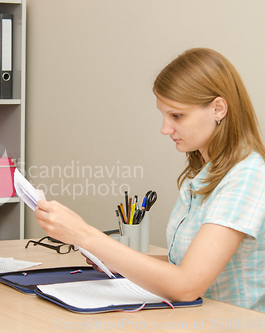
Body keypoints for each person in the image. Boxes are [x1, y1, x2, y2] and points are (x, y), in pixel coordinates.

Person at [35, 48, 265, 312]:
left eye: (177, 115)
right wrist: (116, 259)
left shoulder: (248, 176)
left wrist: (85, 234)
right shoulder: (205, 173)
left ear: (218, 108)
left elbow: (187, 285)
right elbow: (186, 264)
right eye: (164, 115)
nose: (165, 129)